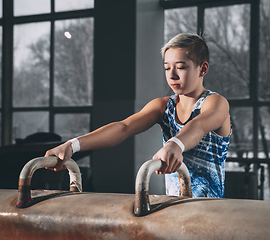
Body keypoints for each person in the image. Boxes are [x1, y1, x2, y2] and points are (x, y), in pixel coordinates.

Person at [45, 33, 231, 198]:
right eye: (167, 68)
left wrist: (175, 144)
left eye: (181, 67)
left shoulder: (216, 103)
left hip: (209, 212)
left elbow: (198, 126)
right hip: (175, 209)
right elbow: (123, 128)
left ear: (203, 69)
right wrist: (73, 145)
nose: (172, 75)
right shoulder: (163, 106)